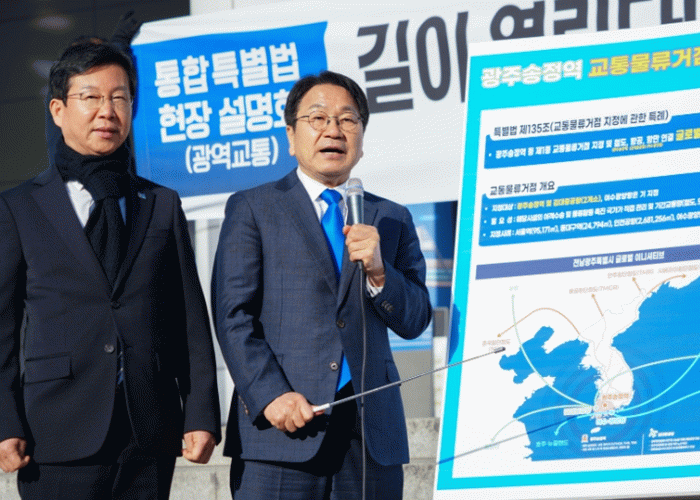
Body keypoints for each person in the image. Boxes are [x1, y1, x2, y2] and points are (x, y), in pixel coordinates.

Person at [0, 41, 220, 500]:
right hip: (56, 429)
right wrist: (5, 421)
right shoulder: (20, 207)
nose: (107, 111)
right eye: (91, 97)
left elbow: (189, 318)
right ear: (58, 110)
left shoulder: (160, 203)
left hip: (149, 430)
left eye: (120, 98)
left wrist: (201, 411)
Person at [212, 70, 432, 499]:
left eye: (347, 120)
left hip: (370, 438)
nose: (333, 130)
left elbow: (415, 319)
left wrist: (380, 273)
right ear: (291, 136)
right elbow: (233, 316)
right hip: (282, 431)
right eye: (318, 118)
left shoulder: (391, 217)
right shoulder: (254, 208)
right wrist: (271, 395)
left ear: (362, 139)